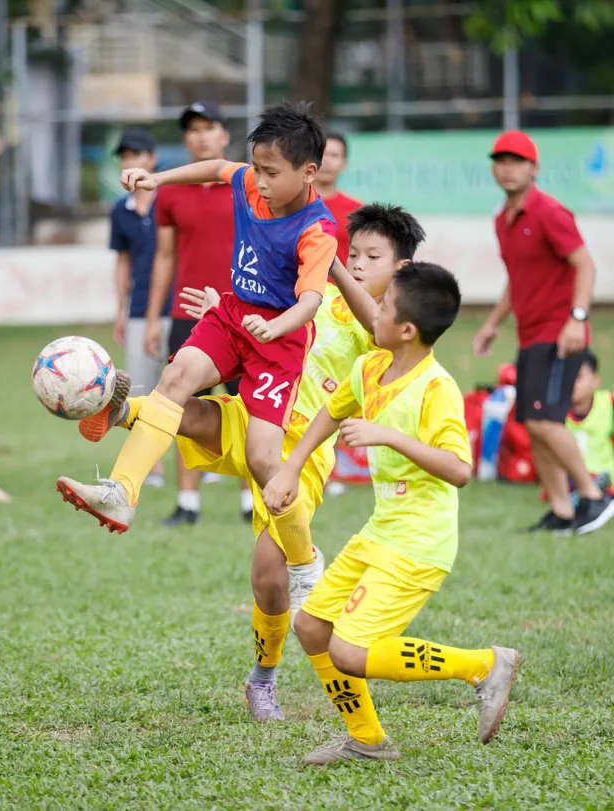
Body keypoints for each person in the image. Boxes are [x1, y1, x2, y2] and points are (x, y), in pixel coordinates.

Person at [72, 203, 426, 722]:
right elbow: (263, 327)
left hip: (300, 451)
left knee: (268, 579)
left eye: (371, 256)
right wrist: (231, 310)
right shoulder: (312, 295)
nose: (355, 262)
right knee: (190, 414)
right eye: (352, 253)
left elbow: (376, 333)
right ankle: (118, 409)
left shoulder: (388, 324)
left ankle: (263, 677)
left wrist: (332, 269)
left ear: (399, 269)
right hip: (258, 415)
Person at [263, 262, 520, 765]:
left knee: (350, 652)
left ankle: (485, 665)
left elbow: (460, 468)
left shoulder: (436, 388)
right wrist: (290, 468)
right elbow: (331, 411)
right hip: (382, 529)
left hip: (421, 540)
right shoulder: (369, 367)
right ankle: (368, 740)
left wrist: (390, 436)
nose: (372, 310)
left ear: (407, 330)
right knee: (312, 626)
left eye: (382, 307)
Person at [56, 102, 338, 543]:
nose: (258, 181)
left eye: (271, 172)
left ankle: (302, 557)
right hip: (231, 315)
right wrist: (159, 179)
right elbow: (218, 167)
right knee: (175, 378)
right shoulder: (249, 182)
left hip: (279, 341)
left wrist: (278, 326)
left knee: (262, 458)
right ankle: (121, 492)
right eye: (257, 168)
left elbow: (311, 301)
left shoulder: (317, 229)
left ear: (307, 172)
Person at [474, 129, 614, 536]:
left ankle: (593, 496)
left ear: (534, 169)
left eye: (517, 161)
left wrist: (578, 317)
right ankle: (562, 510)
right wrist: (491, 324)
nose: (508, 168)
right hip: (530, 335)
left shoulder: (550, 212)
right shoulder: (503, 220)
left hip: (560, 333)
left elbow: (585, 265)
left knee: (544, 422)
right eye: (501, 161)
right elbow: (516, 280)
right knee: (530, 421)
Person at [152, 101, 250, 525]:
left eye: (210, 127)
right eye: (193, 129)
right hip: (187, 311)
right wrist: (156, 314)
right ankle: (187, 503)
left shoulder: (247, 183)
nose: (202, 136)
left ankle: (252, 501)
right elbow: (164, 256)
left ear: (225, 135)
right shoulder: (170, 191)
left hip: (242, 310)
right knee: (182, 405)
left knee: (250, 405)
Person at [107, 128, 169, 489]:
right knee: (140, 389)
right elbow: (122, 263)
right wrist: (119, 310)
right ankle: (153, 470)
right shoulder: (121, 211)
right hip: (138, 308)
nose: (130, 161)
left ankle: (205, 465)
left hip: (177, 306)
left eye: (137, 154)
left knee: (187, 389)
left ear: (152, 159)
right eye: (125, 155)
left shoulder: (172, 201)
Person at [566, 351, 614, 499]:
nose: (572, 382)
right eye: (568, 376)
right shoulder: (556, 409)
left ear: (595, 381)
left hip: (606, 476)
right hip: (571, 477)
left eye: (578, 377)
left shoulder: (608, 403)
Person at [313, 131, 362, 265]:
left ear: (344, 163)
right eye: (322, 154)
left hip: (341, 286)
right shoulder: (291, 205)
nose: (326, 160)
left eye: (334, 155)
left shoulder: (357, 210)